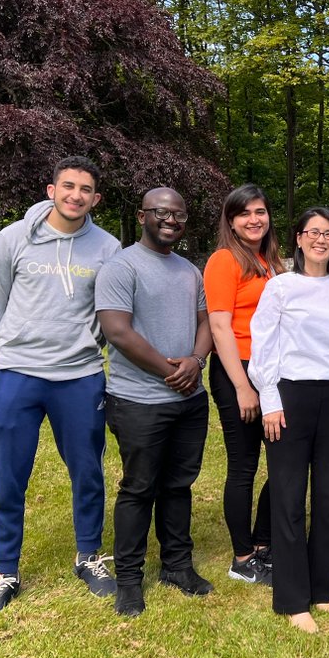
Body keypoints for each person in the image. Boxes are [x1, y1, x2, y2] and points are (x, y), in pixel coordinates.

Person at [0, 155, 121, 621]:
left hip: (79, 376)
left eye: (85, 189)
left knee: (87, 471)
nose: (75, 195)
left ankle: (88, 556)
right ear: (51, 188)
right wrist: (10, 354)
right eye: (68, 186)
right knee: (8, 475)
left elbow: (111, 312)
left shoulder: (108, 247)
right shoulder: (13, 239)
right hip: (17, 374)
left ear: (96, 198)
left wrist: (87, 350)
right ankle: (4, 572)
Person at [95, 187, 214, 617]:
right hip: (139, 400)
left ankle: (177, 566)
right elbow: (118, 332)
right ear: (143, 214)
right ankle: (128, 578)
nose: (171, 221)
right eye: (162, 213)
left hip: (189, 400)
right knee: (139, 488)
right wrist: (172, 372)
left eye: (179, 215)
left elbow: (205, 321)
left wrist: (196, 361)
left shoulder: (189, 271)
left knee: (178, 486)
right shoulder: (121, 266)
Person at [253, 208, 329, 633]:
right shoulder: (280, 287)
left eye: (328, 233)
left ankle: (321, 588)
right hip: (289, 396)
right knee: (289, 496)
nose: (320, 239)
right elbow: (263, 348)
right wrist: (270, 401)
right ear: (298, 238)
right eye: (312, 232)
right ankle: (293, 599)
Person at [204, 184, 284, 586]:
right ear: (231, 222)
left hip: (272, 370)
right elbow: (219, 326)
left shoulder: (269, 261)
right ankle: (243, 557)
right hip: (239, 368)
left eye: (261, 211)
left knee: (283, 461)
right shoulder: (223, 260)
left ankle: (266, 544)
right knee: (244, 466)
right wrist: (242, 385)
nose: (255, 219)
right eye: (245, 213)